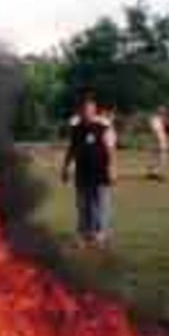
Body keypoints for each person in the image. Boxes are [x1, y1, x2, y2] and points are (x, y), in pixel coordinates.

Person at [62, 94, 116, 247]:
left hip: (100, 171)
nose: (86, 112)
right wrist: (66, 167)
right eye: (84, 110)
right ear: (80, 111)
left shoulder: (103, 126)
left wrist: (112, 168)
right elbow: (71, 149)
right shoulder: (76, 128)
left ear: (94, 111)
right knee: (82, 204)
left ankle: (101, 234)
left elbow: (110, 149)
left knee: (101, 203)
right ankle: (84, 233)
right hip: (82, 171)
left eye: (90, 110)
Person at [147, 106, 169, 180]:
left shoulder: (160, 119)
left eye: (164, 111)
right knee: (160, 157)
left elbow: (165, 129)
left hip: (159, 140)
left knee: (157, 157)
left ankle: (154, 172)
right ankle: (158, 173)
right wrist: (159, 141)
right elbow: (156, 131)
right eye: (162, 111)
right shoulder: (155, 119)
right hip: (158, 140)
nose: (164, 113)